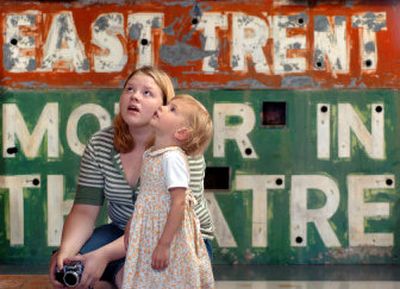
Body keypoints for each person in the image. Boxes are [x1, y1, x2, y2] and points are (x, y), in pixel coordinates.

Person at [49, 66, 214, 289]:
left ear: (163, 106)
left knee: (137, 277)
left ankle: (114, 276)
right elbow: (84, 210)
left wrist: (104, 255)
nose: (134, 96)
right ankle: (109, 274)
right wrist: (65, 252)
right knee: (72, 267)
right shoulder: (100, 144)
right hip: (123, 231)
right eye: (129, 89)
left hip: (173, 237)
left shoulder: (180, 151)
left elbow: (176, 216)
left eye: (147, 93)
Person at [122, 94, 214, 289]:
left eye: (172, 109)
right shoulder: (152, 154)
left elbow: (179, 202)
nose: (163, 107)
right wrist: (132, 223)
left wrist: (164, 244)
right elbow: (145, 196)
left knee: (169, 278)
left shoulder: (172, 158)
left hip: (166, 232)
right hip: (149, 230)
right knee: (150, 279)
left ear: (181, 133)